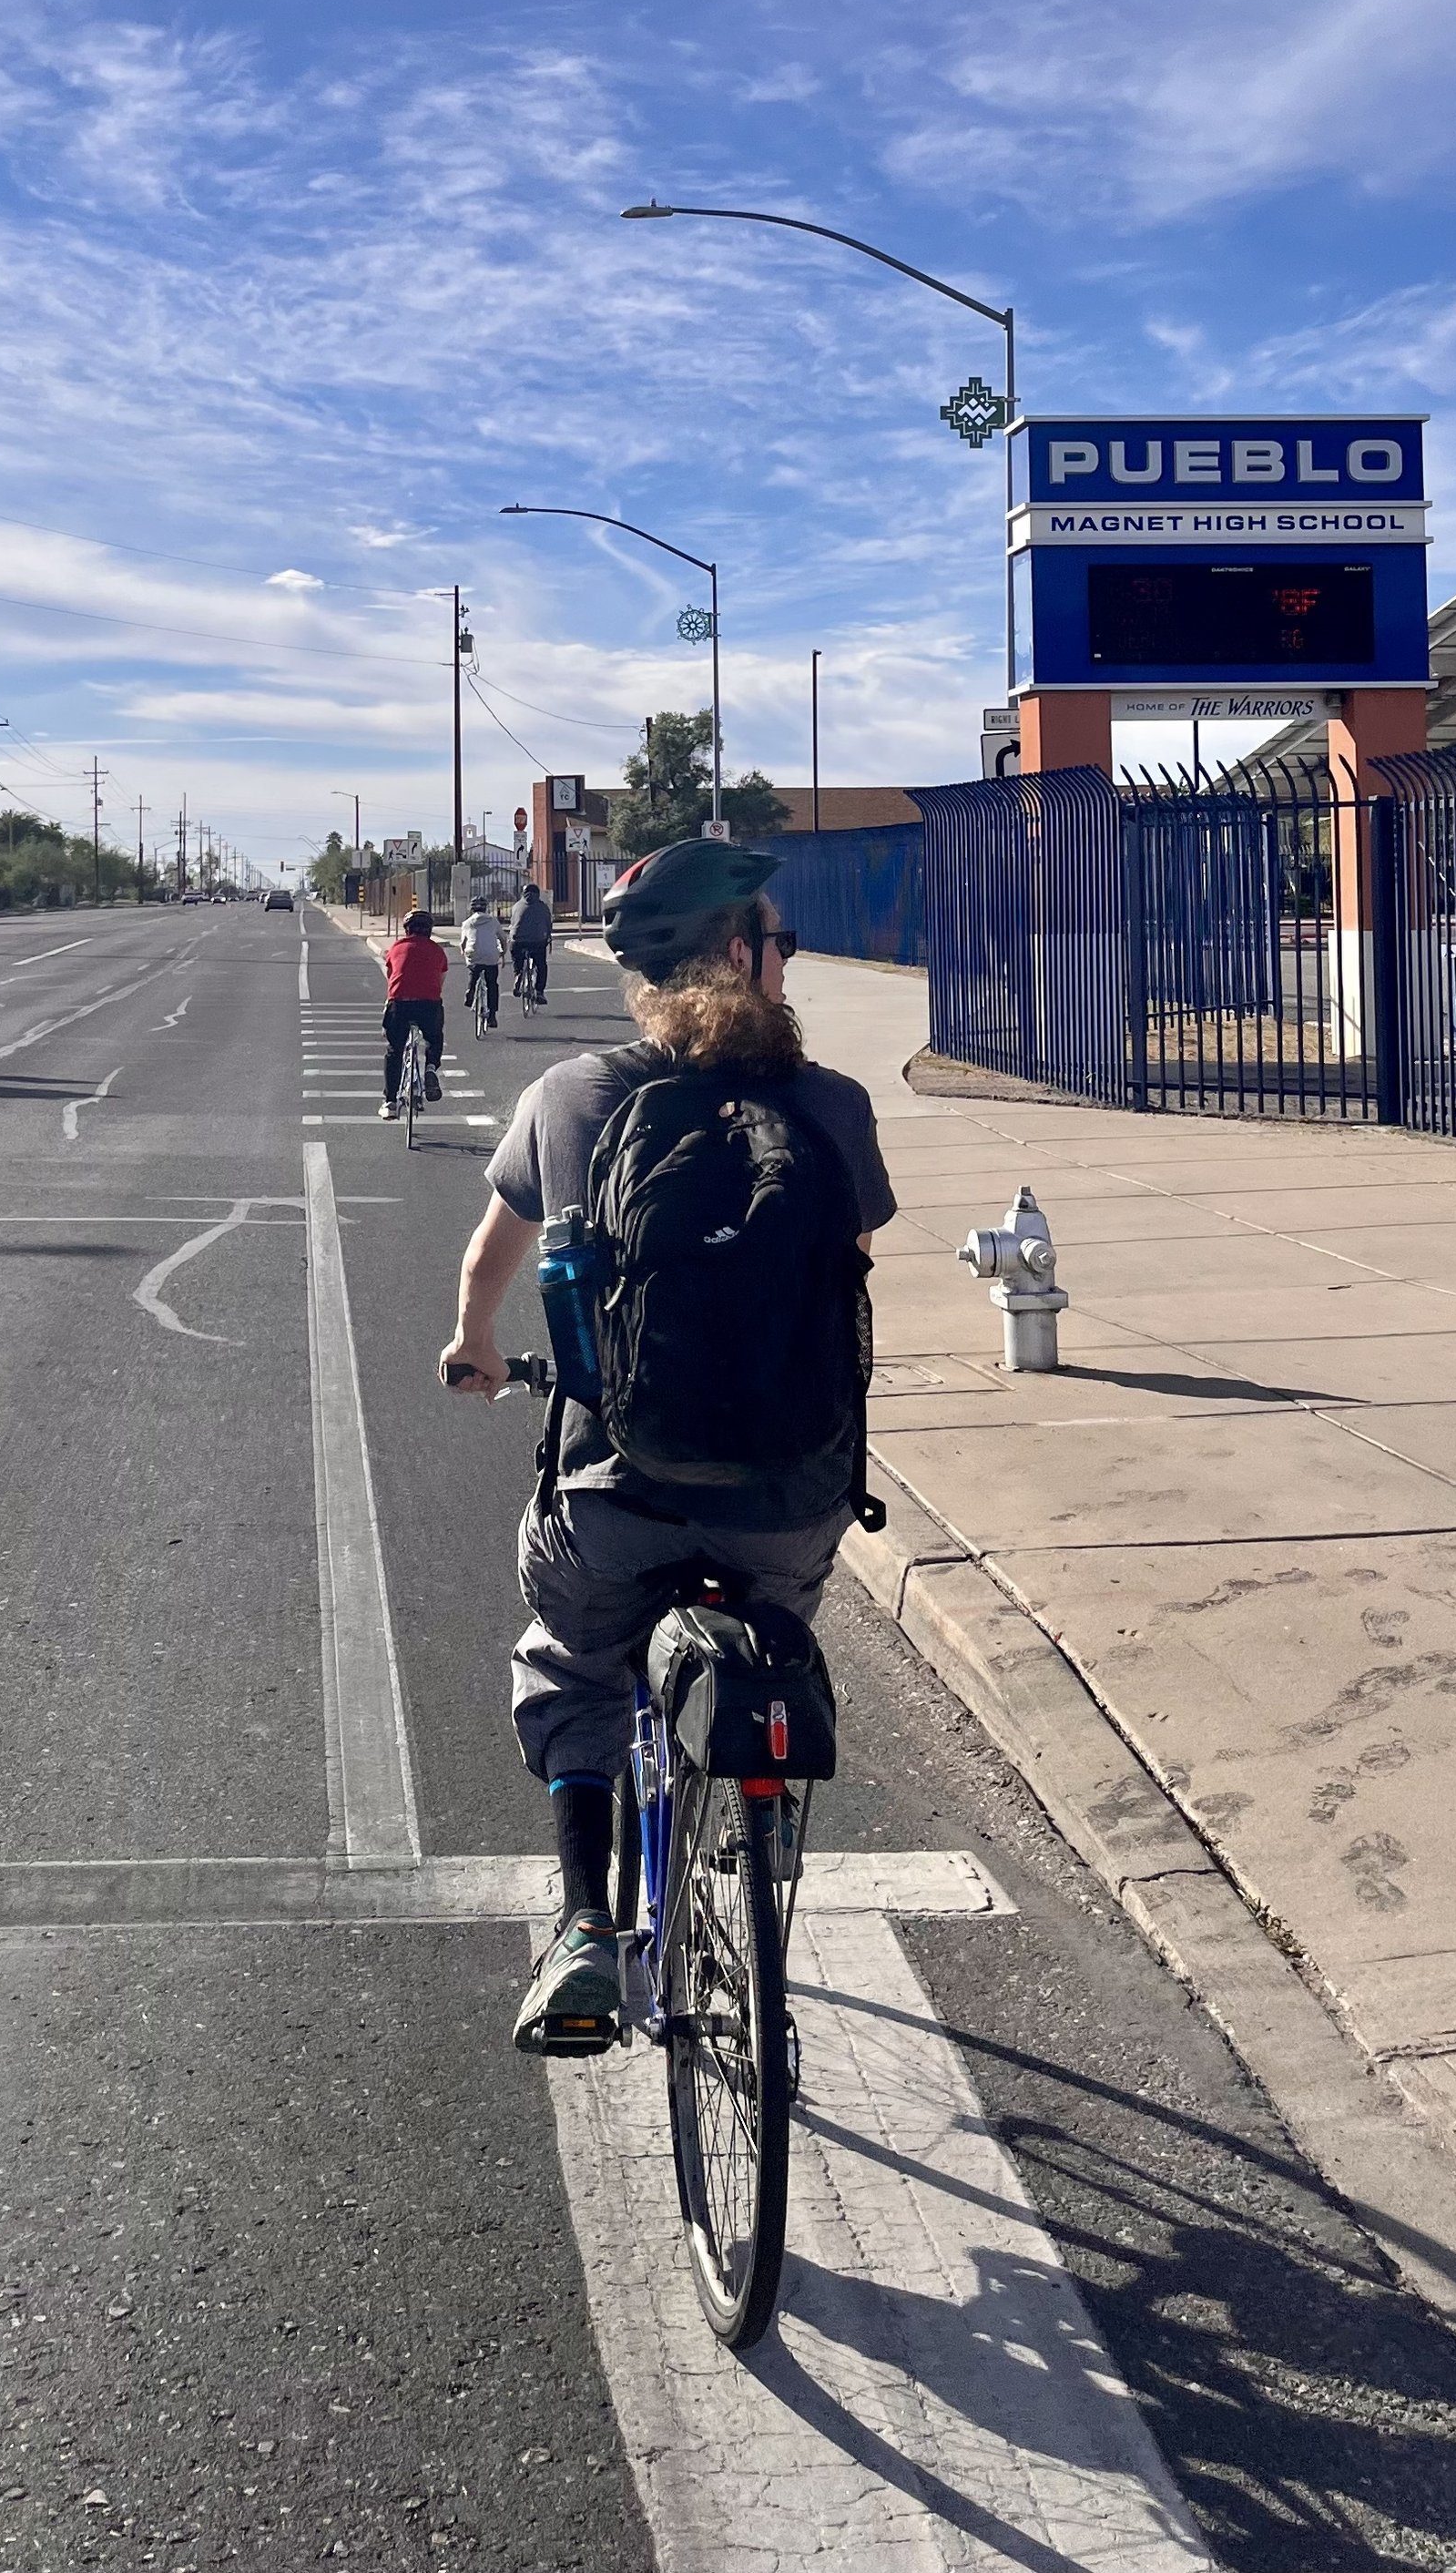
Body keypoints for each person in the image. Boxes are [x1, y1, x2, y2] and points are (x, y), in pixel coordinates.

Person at [439, 840, 895, 2055]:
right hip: (792, 1493)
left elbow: (494, 1259)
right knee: (783, 1612)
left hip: (614, 1493)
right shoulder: (834, 1104)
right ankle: (766, 1809)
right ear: (743, 954)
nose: (789, 962)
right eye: (781, 944)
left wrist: (475, 1345)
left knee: (574, 1661)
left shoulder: (570, 1096)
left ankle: (588, 1924)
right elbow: (847, 1273)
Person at [378, 909, 447, 1117]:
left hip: (400, 1005)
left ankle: (390, 1103)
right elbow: (440, 982)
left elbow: (391, 979)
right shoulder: (437, 951)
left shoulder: (397, 948)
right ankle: (431, 1068)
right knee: (435, 1038)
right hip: (428, 1005)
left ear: (407, 930)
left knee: (394, 1050)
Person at [459, 895, 504, 1027]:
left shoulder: (467, 923)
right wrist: (502, 952)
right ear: (486, 908)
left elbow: (463, 943)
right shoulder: (493, 921)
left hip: (474, 955)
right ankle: (492, 1016)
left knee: (474, 969)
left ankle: (470, 989)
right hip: (491, 956)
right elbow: (502, 938)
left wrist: (464, 953)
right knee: (492, 985)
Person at [509, 879, 553, 1006]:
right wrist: (548, 937)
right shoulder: (543, 907)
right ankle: (539, 992)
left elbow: (512, 924)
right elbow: (548, 924)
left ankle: (518, 974)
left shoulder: (516, 906)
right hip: (537, 941)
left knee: (517, 960)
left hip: (518, 941)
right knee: (541, 966)